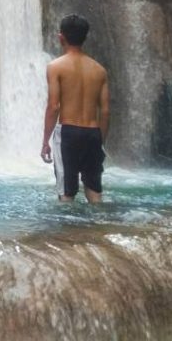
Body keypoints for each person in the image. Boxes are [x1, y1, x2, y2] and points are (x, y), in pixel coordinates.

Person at [40, 14, 110, 203]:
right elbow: (105, 111)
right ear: (85, 37)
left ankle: (68, 232)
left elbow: (53, 106)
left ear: (61, 37)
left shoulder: (56, 67)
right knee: (94, 191)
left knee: (66, 193)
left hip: (68, 133)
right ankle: (100, 228)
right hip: (93, 133)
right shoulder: (99, 70)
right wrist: (100, 141)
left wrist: (45, 141)